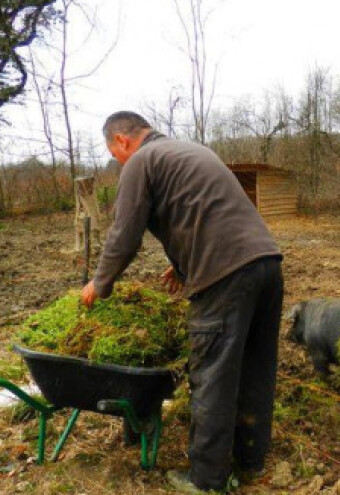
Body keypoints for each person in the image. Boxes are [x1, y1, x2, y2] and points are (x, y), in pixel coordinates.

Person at [81, 111, 283, 492]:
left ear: (122, 141)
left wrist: (100, 283)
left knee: (213, 377)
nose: (118, 162)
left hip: (224, 276)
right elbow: (200, 213)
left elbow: (125, 233)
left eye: (114, 154)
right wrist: (182, 267)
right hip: (267, 265)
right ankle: (251, 462)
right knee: (255, 371)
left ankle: (207, 480)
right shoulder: (188, 151)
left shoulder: (140, 161)